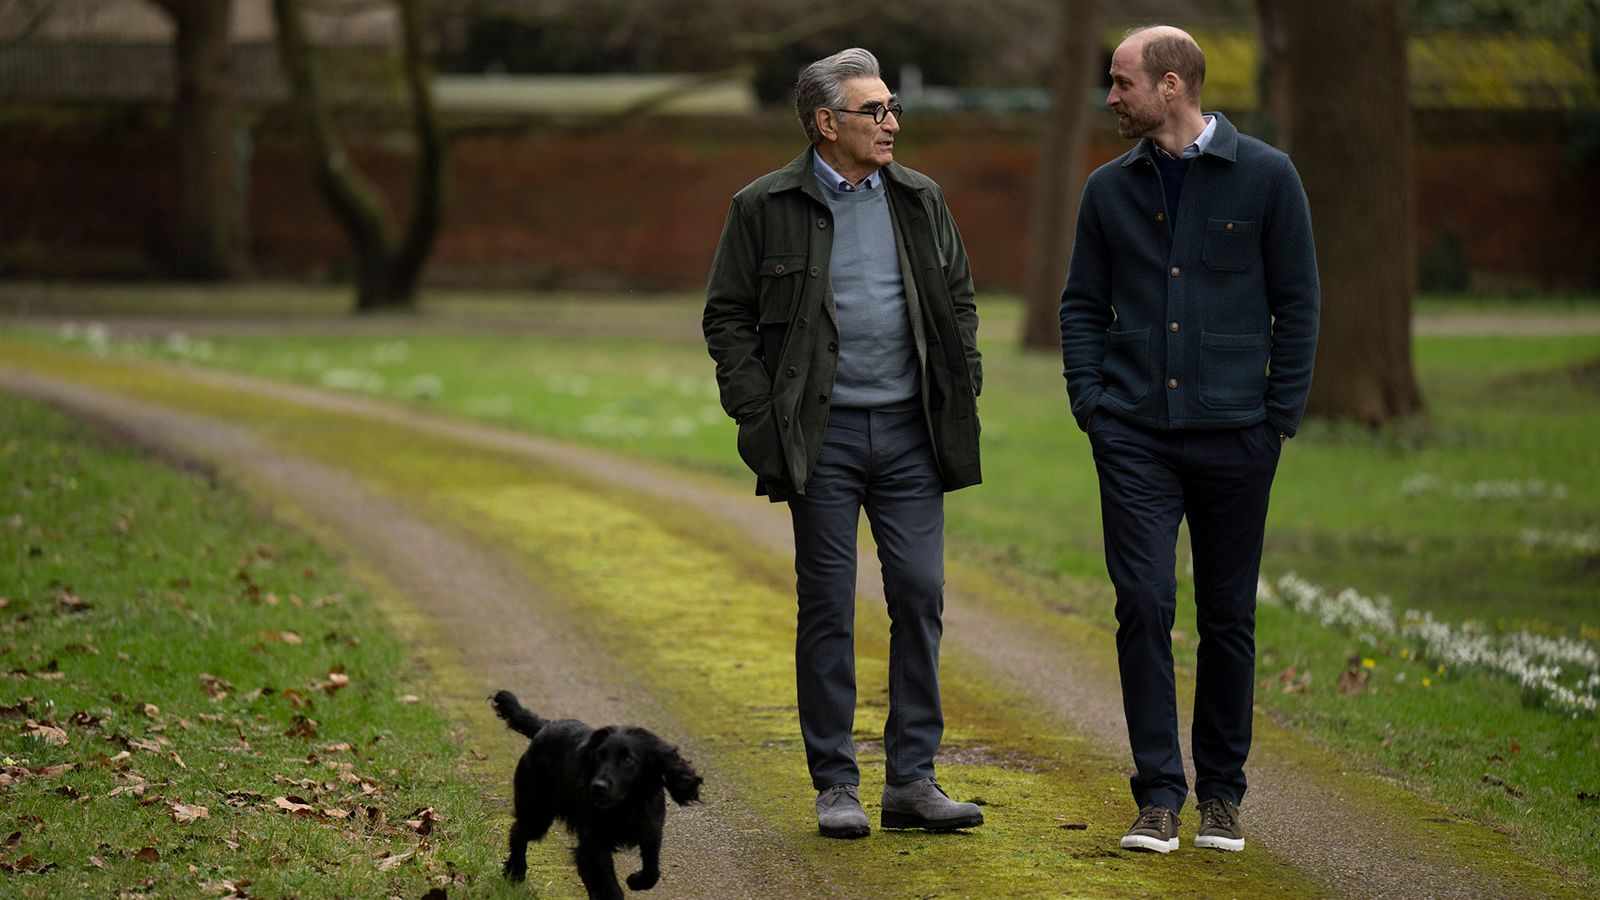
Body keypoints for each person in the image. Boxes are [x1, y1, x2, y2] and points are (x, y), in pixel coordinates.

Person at [703, 47, 984, 839]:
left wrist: (964, 382)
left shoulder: (921, 199)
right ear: (827, 123)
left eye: (893, 108)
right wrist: (760, 416)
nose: (892, 123)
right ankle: (835, 785)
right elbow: (725, 317)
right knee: (827, 606)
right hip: (817, 440)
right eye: (875, 111)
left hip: (910, 437)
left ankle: (912, 781)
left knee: (920, 596)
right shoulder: (762, 206)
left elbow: (958, 302)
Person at [1059, 25, 1319, 853]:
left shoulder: (1269, 178)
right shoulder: (1107, 190)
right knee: (1142, 604)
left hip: (1238, 435)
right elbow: (1080, 305)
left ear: (1171, 87)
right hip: (1132, 433)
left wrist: (1277, 418)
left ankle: (1223, 796)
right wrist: (1092, 406)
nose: (1112, 96)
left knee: (1228, 615)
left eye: (1122, 81)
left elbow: (1299, 304)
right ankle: (1159, 796)